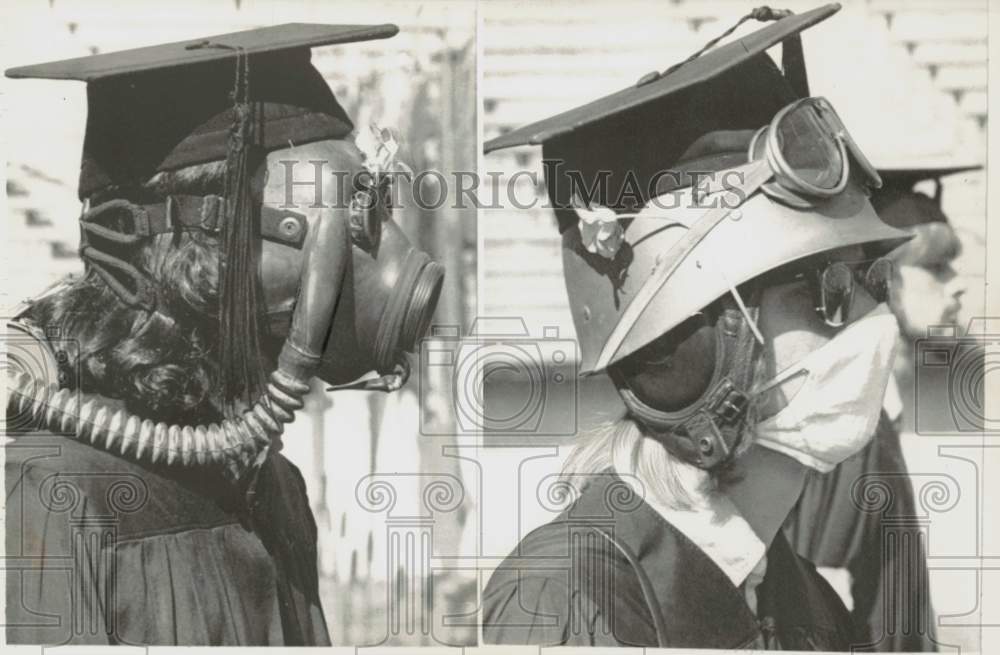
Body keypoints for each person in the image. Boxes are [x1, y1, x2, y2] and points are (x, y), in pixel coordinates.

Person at [481, 5, 912, 649]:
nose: (872, 323)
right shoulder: (566, 594)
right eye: (825, 291)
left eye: (872, 282)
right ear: (691, 345)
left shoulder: (808, 605)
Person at [4, 23, 444, 645]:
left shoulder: (273, 486)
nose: (370, 249)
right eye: (343, 215)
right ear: (195, 245)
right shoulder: (48, 489)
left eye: (371, 204)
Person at [783, 163, 978, 651]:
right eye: (935, 266)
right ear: (882, 279)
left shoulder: (878, 414)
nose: (959, 284)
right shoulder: (837, 426)